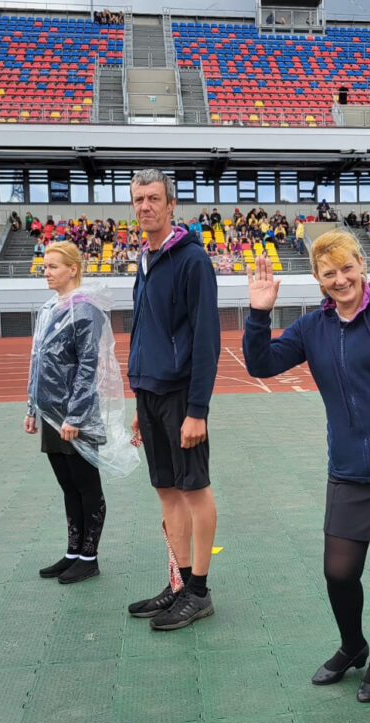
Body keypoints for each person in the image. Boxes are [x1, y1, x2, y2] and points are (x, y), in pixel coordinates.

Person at [243, 232, 370, 703]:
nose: (340, 279)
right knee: (340, 571)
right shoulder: (313, 327)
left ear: (361, 265)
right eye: (328, 273)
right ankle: (353, 645)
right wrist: (259, 313)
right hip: (349, 468)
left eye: (347, 268)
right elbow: (261, 364)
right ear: (317, 278)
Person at [126, 169, 221, 631]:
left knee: (194, 489)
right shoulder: (144, 259)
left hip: (182, 395)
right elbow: (144, 331)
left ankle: (199, 591)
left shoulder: (192, 260)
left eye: (153, 198)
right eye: (138, 199)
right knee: (166, 489)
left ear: (170, 204)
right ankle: (180, 583)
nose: (145, 206)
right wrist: (138, 400)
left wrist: (197, 410)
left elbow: (206, 339)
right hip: (150, 393)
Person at [24, 241, 136, 584]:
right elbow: (37, 360)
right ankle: (73, 552)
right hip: (50, 413)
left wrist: (74, 416)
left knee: (87, 486)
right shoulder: (48, 309)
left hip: (77, 416)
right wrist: (32, 407)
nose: (46, 272)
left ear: (72, 269)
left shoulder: (85, 311)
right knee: (67, 486)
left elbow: (90, 368)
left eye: (53, 266)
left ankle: (89, 556)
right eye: (45, 266)